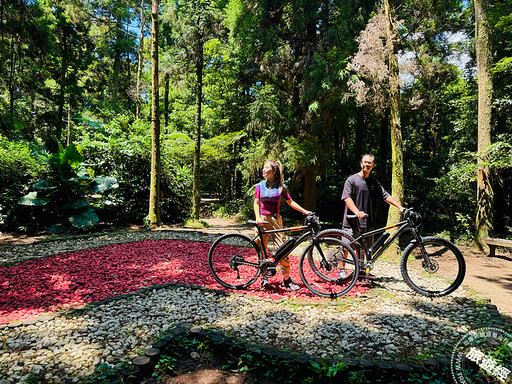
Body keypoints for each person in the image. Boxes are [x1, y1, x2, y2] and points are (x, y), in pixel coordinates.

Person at [254, 160, 312, 291]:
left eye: (266, 167)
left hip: (276, 219)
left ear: (274, 171)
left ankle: (286, 279)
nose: (263, 170)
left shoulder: (281, 187)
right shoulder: (260, 186)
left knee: (283, 248)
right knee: (261, 248)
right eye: (263, 167)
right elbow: (256, 203)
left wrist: (305, 211)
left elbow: (290, 202)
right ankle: (264, 277)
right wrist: (257, 217)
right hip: (262, 219)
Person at [341, 154, 404, 263]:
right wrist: (357, 212)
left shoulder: (374, 183)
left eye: (369, 163)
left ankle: (360, 270)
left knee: (363, 249)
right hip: (352, 220)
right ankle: (341, 271)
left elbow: (385, 196)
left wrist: (400, 207)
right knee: (346, 246)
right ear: (361, 164)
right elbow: (347, 198)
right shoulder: (351, 180)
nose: (366, 164)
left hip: (367, 222)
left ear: (373, 165)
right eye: (365, 162)